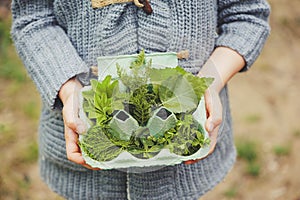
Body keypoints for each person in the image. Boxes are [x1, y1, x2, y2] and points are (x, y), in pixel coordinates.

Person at [11, 0, 270, 199]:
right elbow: (33, 18)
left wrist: (208, 82)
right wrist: (68, 89)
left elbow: (246, 15)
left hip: (186, 159)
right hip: (84, 153)